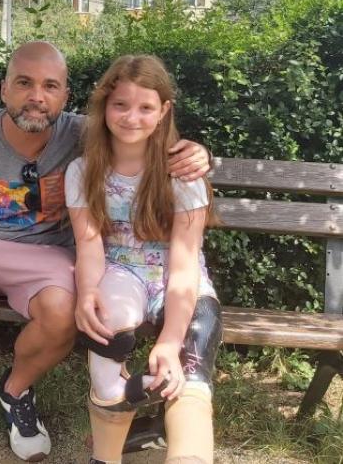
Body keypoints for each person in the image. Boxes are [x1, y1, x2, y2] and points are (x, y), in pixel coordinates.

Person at [0, 42, 211, 462]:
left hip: (44, 255)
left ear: (66, 96)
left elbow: (141, 129)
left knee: (64, 310)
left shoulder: (87, 133)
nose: (37, 96)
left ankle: (15, 390)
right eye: (24, 83)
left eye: (50, 86)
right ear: (3, 89)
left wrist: (198, 153)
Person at [65, 54, 222, 464]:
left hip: (181, 280)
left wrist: (169, 341)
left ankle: (187, 453)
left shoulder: (182, 173)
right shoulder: (83, 171)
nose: (131, 117)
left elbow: (185, 266)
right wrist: (87, 293)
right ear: (104, 105)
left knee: (190, 373)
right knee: (105, 328)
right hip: (121, 272)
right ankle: (107, 453)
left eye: (146, 107)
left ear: (164, 110)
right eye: (120, 104)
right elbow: (89, 246)